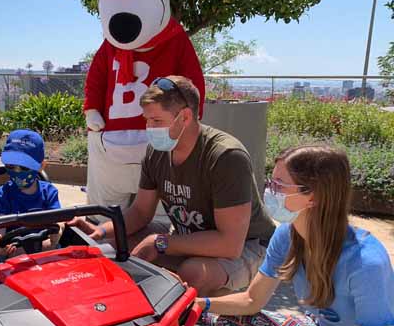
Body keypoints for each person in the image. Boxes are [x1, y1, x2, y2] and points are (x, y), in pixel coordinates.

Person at [77, 76, 276, 296]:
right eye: (147, 120)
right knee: (111, 244)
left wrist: (161, 243)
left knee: (193, 273)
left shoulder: (225, 156)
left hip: (248, 245)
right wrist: (101, 231)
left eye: (157, 121)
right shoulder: (157, 152)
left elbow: (230, 244)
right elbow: (140, 212)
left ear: (185, 117)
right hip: (189, 234)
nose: (149, 128)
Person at [196, 145, 394, 326]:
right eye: (270, 182)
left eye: (279, 185)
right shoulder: (286, 235)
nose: (269, 191)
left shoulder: (366, 265)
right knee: (211, 320)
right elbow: (251, 300)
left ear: (313, 197)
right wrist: (197, 304)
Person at [0, 130, 63, 259]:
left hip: (46, 251)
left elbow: (58, 221)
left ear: (41, 166)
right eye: (11, 166)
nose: (17, 172)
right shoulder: (2, 194)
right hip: (14, 255)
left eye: (24, 168)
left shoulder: (49, 192)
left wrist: (56, 236)